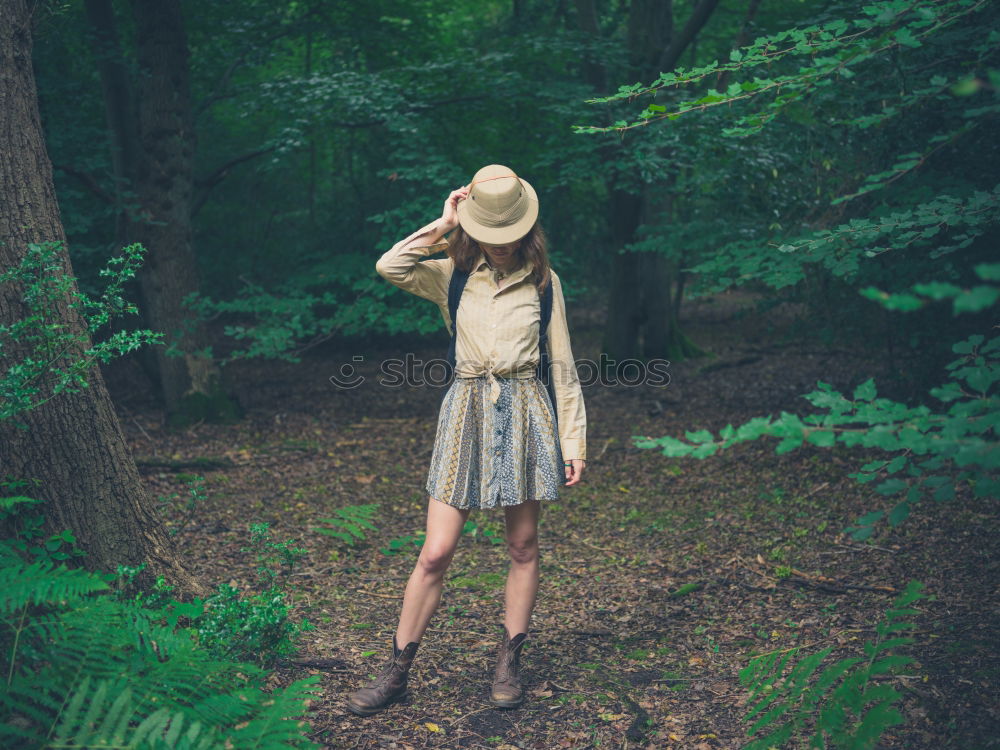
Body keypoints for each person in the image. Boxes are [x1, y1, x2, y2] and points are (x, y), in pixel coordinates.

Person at [346, 164, 587, 716]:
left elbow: (563, 365)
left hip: (526, 410)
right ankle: (397, 672)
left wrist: (574, 442)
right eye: (489, 235)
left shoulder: (546, 284)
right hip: (465, 410)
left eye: (509, 237)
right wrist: (443, 223)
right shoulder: (451, 276)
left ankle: (509, 661)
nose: (500, 247)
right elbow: (390, 265)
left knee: (523, 546)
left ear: (526, 231)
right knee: (435, 552)